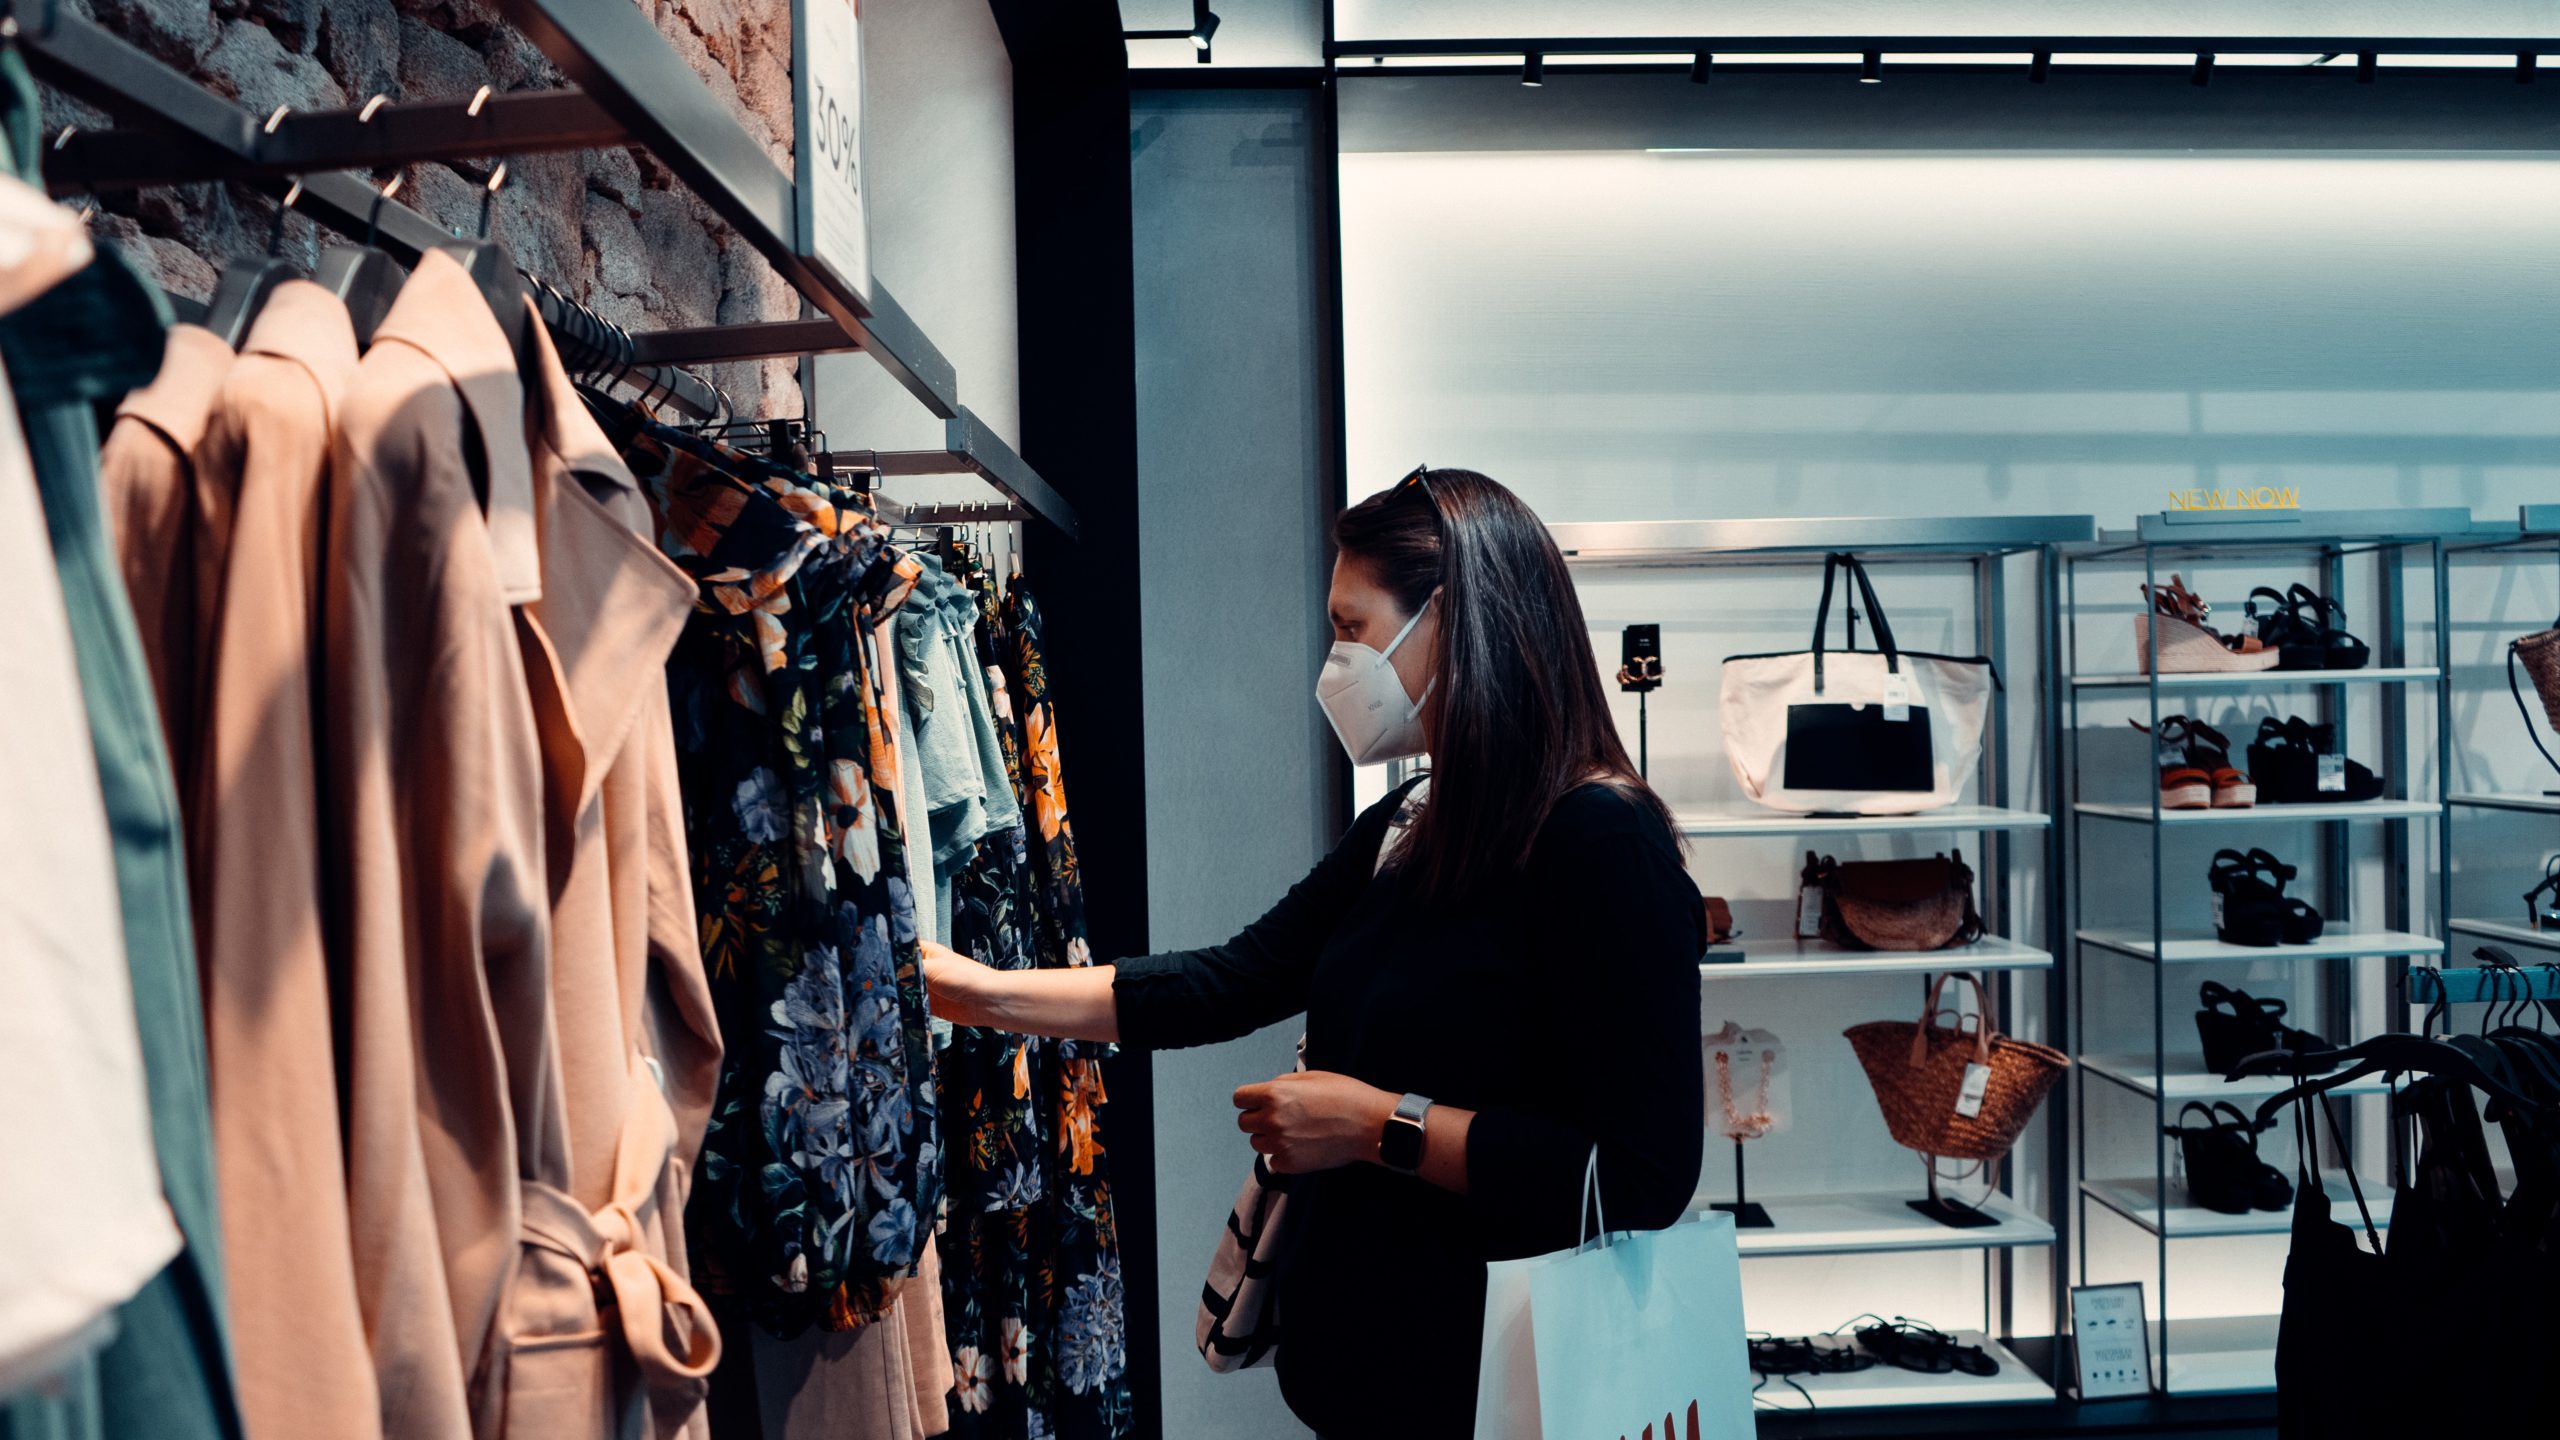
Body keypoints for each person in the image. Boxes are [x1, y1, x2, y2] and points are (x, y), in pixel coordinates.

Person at [922, 467, 1706, 1438]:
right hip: (1370, 1374)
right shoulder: (1415, 821)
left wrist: (1378, 1124)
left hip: (1511, 1392)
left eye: (1351, 626)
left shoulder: (1601, 842)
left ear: (1450, 621)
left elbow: (1641, 1176)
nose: (1335, 658)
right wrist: (977, 992)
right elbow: (1229, 979)